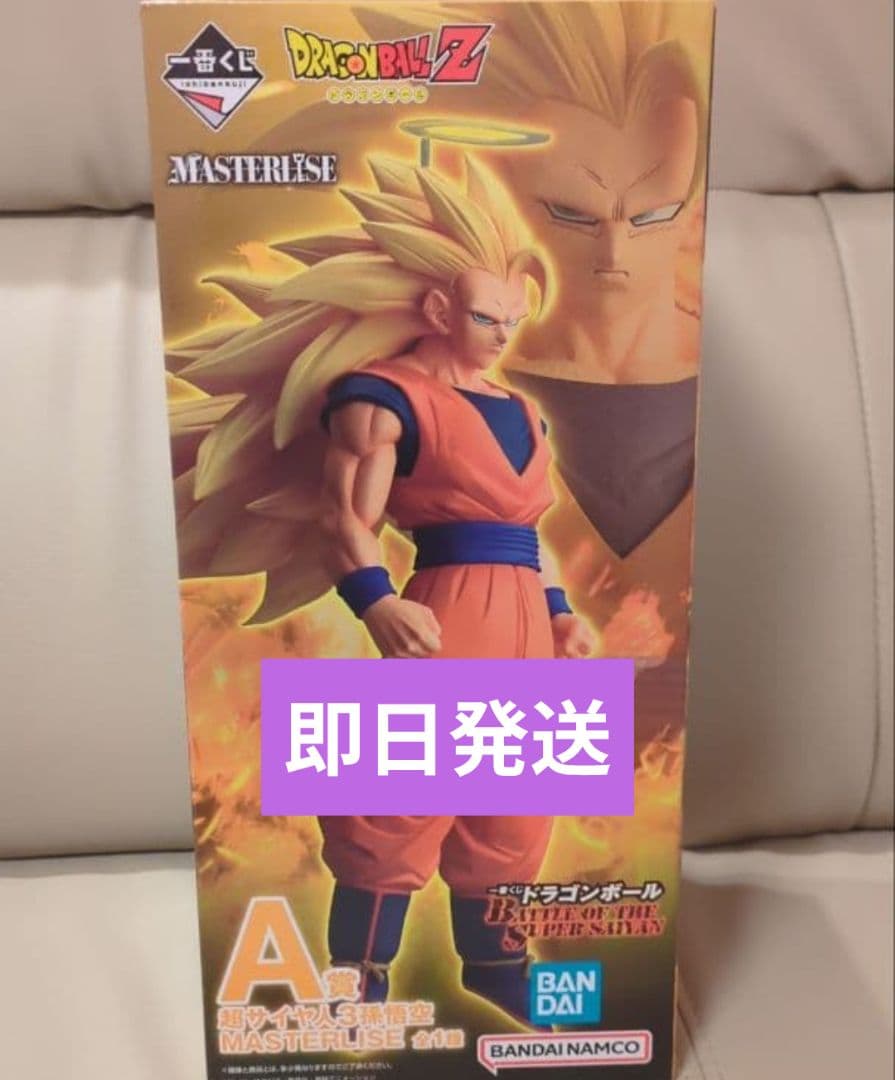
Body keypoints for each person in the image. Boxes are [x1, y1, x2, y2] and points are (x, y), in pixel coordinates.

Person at [167, 156, 594, 1025]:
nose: (500, 335)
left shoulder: (521, 408)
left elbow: (529, 532)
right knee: (398, 795)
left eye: (512, 321)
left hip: (525, 618)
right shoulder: (381, 397)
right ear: (437, 311)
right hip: (445, 608)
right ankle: (357, 975)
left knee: (519, 800)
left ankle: (497, 966)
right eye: (484, 318)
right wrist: (377, 601)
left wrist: (559, 612)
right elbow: (343, 517)